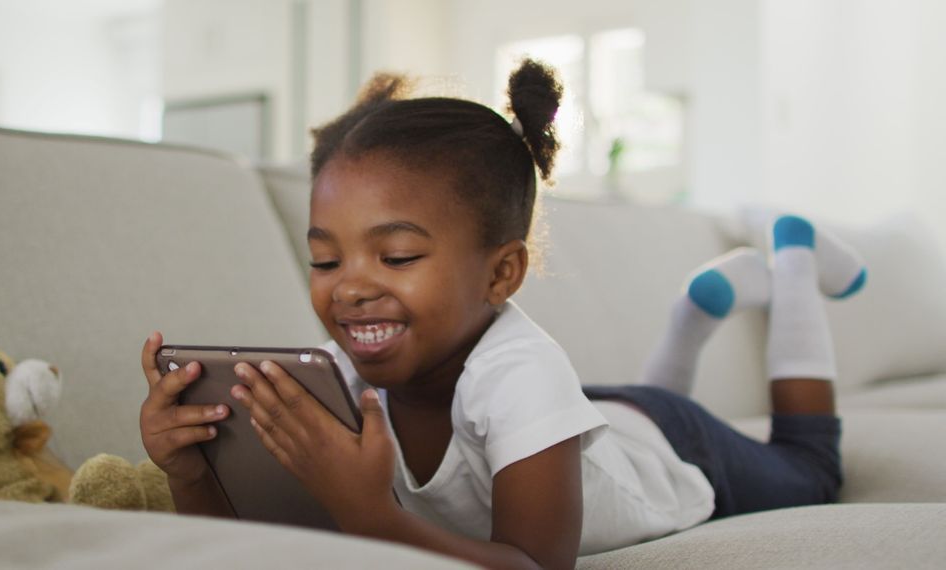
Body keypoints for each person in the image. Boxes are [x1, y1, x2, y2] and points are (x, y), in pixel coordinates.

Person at [138, 59, 865, 569]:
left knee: (811, 466)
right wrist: (192, 474)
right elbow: (253, 549)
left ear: (502, 272)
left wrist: (372, 516)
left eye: (394, 257)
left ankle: (794, 264)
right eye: (326, 260)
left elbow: (535, 563)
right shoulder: (332, 385)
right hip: (586, 423)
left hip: (673, 451)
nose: (350, 288)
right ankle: (692, 316)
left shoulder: (521, 374)